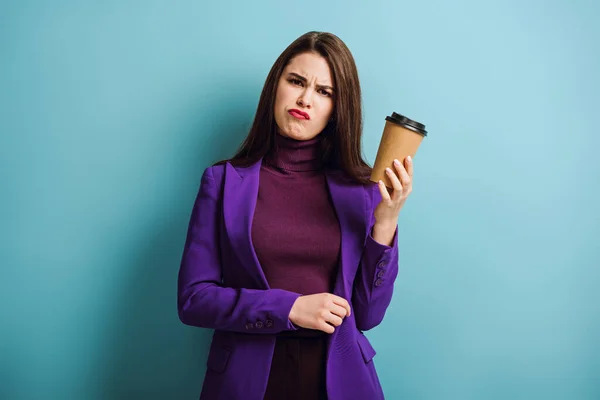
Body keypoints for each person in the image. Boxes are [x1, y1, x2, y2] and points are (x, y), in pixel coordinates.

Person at [177, 31, 413, 400]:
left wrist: (386, 221)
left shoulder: (363, 191)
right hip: (246, 379)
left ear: (338, 108)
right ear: (276, 86)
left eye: (324, 92)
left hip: (341, 380)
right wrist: (290, 307)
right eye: (297, 81)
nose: (305, 98)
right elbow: (194, 299)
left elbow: (367, 316)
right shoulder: (223, 182)